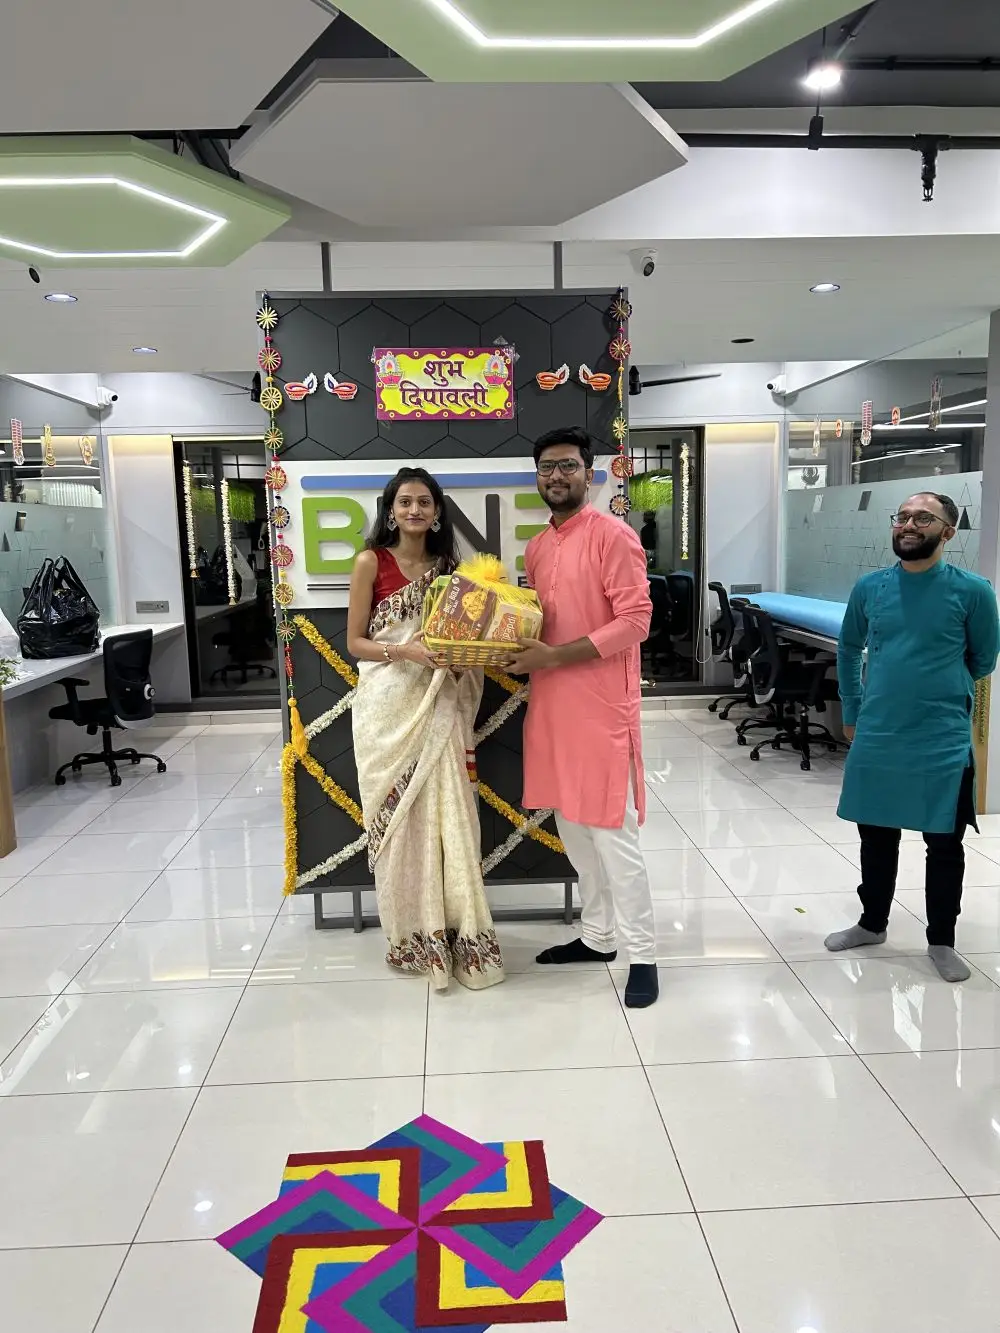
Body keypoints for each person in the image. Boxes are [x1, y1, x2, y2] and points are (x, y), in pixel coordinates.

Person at [509, 426, 659, 1009]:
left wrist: (553, 657)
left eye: (568, 465)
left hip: (600, 710)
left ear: (590, 473)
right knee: (573, 830)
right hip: (551, 707)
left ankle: (642, 955)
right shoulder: (537, 547)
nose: (556, 476)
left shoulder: (613, 536)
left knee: (613, 836)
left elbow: (636, 621)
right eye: (547, 467)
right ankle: (598, 936)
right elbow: (541, 622)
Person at [824, 491, 1000, 982]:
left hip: (942, 737)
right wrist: (853, 708)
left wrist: (937, 686)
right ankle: (872, 923)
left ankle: (941, 940)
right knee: (876, 835)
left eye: (923, 518)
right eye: (902, 516)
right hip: (879, 730)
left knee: (944, 843)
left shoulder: (973, 592)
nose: (908, 525)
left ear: (948, 531)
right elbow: (848, 647)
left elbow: (984, 658)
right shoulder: (871, 588)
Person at [346, 467, 504, 992]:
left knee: (451, 815)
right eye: (405, 502)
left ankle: (459, 936)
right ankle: (411, 937)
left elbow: (463, 638)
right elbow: (356, 642)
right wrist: (405, 651)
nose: (414, 510)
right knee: (401, 825)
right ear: (391, 510)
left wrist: (461, 658)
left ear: (437, 512)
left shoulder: (450, 570)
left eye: (424, 503)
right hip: (389, 707)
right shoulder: (370, 562)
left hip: (440, 704)